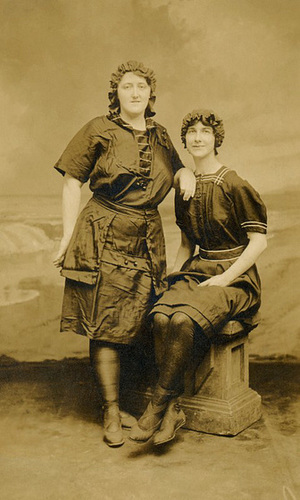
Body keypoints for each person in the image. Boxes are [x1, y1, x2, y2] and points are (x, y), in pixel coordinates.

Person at [53, 61, 196, 447]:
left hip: (148, 237)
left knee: (147, 320)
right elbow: (71, 181)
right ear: (116, 93)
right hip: (105, 234)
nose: (135, 93)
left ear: (151, 95)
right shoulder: (99, 129)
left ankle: (161, 408)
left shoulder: (162, 135)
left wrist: (185, 174)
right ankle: (112, 410)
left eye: (142, 87)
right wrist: (67, 237)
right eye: (127, 86)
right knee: (106, 323)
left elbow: (178, 168)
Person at [129, 108, 267, 446]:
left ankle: (159, 403)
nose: (198, 138)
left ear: (216, 139)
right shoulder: (185, 186)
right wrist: (174, 277)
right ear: (185, 140)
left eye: (205, 132)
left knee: (185, 320)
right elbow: (187, 243)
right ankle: (174, 408)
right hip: (198, 268)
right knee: (162, 315)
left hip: (237, 277)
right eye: (192, 132)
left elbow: (259, 241)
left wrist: (225, 279)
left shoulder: (234, 183)